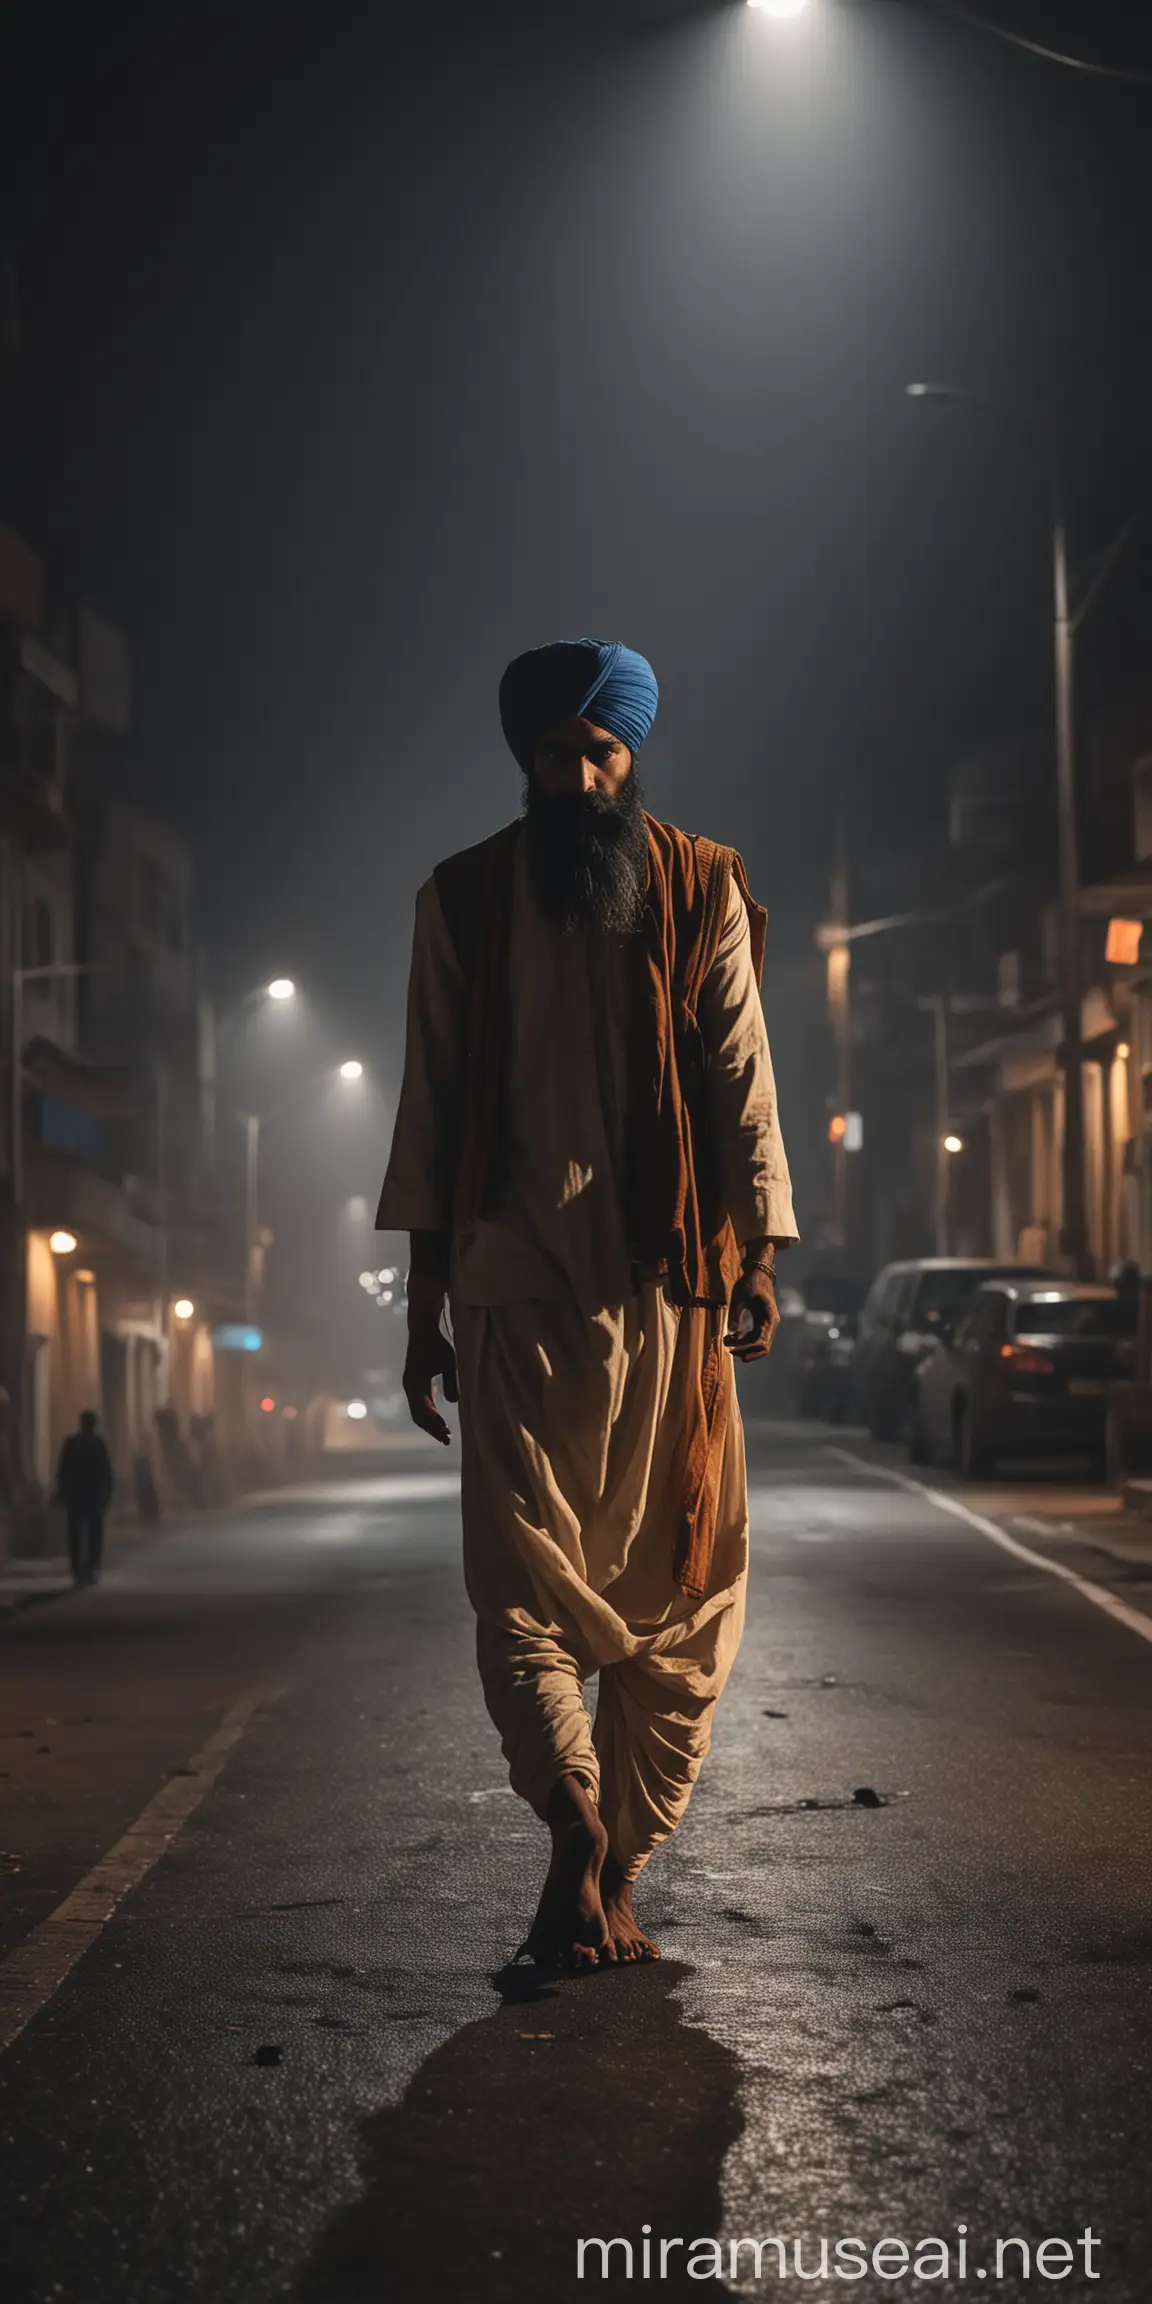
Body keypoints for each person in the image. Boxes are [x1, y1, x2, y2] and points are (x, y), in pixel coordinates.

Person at [377, 637, 797, 1970]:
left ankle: (599, 1856)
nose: (576, 775)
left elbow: (735, 1070)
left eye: (597, 752)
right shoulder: (462, 903)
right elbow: (433, 1109)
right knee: (539, 1590)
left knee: (684, 1591)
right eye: (556, 756)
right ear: (525, 764)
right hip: (514, 1295)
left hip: (671, 1290)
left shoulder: (703, 887)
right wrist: (422, 1309)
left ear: (631, 758)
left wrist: (755, 1261)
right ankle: (584, 1834)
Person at [55, 1410, 114, 1586]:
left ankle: (77, 1571)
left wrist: (62, 1492)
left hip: (76, 1496)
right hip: (94, 1496)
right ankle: (91, 1568)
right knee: (95, 1535)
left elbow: (63, 1470)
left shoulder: (71, 1443)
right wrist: (108, 1493)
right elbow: (106, 1471)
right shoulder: (98, 1444)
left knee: (75, 1535)